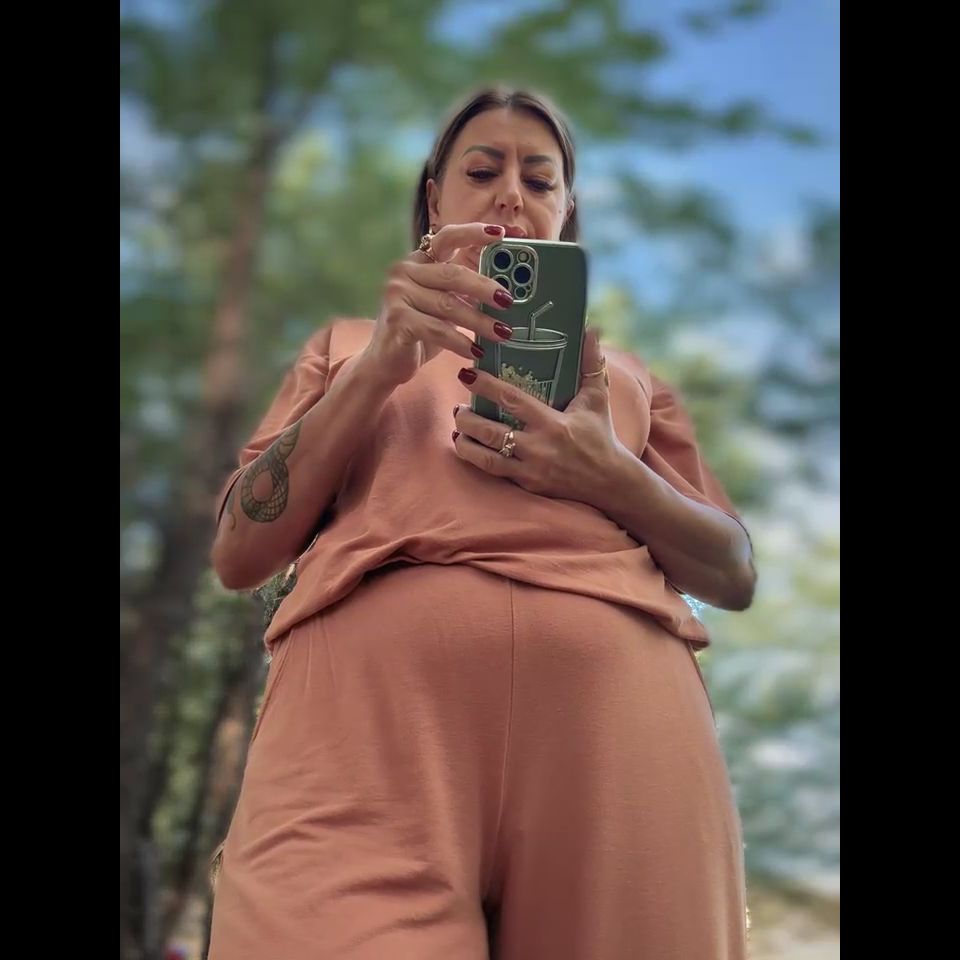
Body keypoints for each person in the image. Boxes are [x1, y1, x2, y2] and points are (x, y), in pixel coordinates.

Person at [207, 86, 756, 960]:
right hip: (364, 735)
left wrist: (613, 477)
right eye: (482, 170)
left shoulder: (625, 377)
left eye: (540, 179)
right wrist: (380, 367)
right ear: (435, 198)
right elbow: (240, 550)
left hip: (621, 742)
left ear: (566, 212)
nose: (511, 193)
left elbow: (732, 571)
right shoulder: (346, 346)